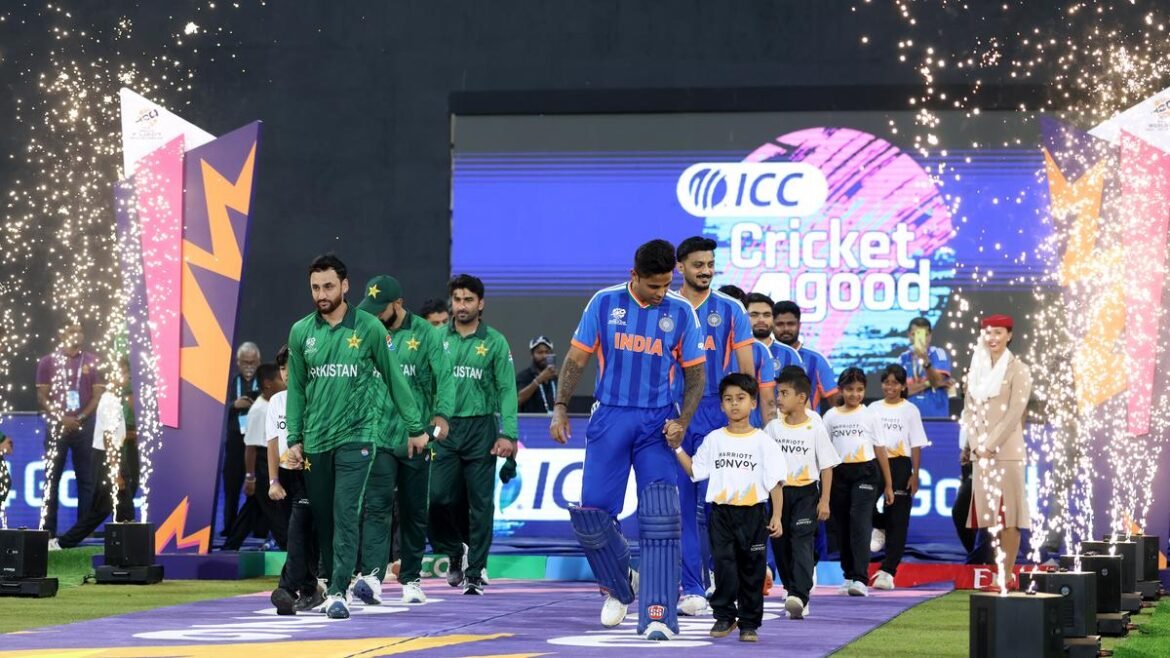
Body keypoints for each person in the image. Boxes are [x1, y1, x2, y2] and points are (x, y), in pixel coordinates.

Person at [550, 238, 705, 641]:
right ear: (634, 276)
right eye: (654, 286)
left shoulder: (681, 311)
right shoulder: (604, 303)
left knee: (660, 517)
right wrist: (561, 406)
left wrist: (683, 421)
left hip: (657, 424)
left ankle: (658, 615)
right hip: (611, 417)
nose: (661, 293)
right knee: (593, 516)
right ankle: (620, 586)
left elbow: (696, 374)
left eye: (666, 285)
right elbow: (577, 359)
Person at [284, 253, 428, 620]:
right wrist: (294, 438)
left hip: (357, 436)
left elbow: (394, 378)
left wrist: (415, 427)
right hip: (316, 439)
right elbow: (296, 389)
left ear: (345, 286)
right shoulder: (301, 332)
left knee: (346, 511)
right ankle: (332, 580)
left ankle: (337, 591)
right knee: (324, 518)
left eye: (328, 286)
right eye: (315, 287)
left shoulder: (369, 328)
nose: (322, 294)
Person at [355, 275, 454, 605]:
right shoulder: (367, 331)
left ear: (398, 304)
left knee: (413, 511)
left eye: (380, 309)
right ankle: (372, 577)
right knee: (376, 507)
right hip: (379, 436)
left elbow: (445, 377)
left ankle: (411, 579)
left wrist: (442, 416)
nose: (374, 315)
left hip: (417, 437)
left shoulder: (425, 334)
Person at [673, 237, 755, 616]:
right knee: (682, 506)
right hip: (675, 414)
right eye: (698, 265)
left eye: (710, 264)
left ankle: (722, 580)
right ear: (680, 267)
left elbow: (746, 371)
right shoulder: (665, 307)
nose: (706, 271)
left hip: (717, 415)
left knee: (717, 507)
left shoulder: (731, 309)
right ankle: (692, 586)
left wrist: (742, 421)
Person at [673, 373, 784, 643]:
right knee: (723, 567)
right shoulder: (714, 439)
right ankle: (724, 616)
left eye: (741, 398)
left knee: (752, 570)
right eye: (728, 399)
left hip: (753, 514)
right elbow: (695, 471)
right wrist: (677, 448)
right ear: (721, 405)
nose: (735, 404)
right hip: (721, 514)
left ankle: (749, 623)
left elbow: (775, 483)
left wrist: (777, 516)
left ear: (753, 403)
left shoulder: (764, 442)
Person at [429, 274, 518, 596]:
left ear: (481, 304)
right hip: (445, 429)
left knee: (480, 504)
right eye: (457, 299)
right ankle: (456, 549)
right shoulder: (435, 338)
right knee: (437, 498)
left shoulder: (495, 341)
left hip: (481, 429)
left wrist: (508, 434)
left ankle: (476, 571)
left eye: (468, 300)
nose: (462, 305)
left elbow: (507, 390)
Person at [963, 314, 1032, 590]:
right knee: (990, 518)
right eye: (988, 333)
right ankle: (999, 572)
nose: (993, 338)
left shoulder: (1019, 369)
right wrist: (976, 445)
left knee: (1010, 517)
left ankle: (1006, 575)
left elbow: (1015, 412)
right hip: (981, 455)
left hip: (1007, 452)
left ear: (1009, 335)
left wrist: (989, 445)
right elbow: (969, 411)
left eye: (999, 332)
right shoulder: (976, 369)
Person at [765, 366, 840, 620]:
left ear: (801, 397)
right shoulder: (772, 428)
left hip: (806, 493)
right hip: (778, 495)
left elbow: (827, 466)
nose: (779, 398)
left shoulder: (815, 428)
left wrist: (825, 500)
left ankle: (800, 594)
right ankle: (791, 590)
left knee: (801, 541)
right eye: (778, 393)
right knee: (781, 545)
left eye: (784, 393)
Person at [51, 356, 137, 549]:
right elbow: (108, 438)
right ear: (113, 375)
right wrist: (116, 471)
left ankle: (124, 546)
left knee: (108, 508)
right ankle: (128, 548)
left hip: (109, 458)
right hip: (109, 459)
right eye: (124, 373)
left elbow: (115, 434)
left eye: (127, 373)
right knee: (115, 508)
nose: (127, 377)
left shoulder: (112, 400)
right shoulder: (110, 402)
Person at [823, 367, 893, 597]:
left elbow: (880, 449)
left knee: (860, 521)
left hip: (866, 472)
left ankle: (861, 578)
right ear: (841, 390)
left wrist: (889, 484)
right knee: (842, 526)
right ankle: (848, 575)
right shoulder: (830, 417)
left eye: (860, 389)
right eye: (850, 389)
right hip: (839, 474)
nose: (855, 394)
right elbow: (824, 452)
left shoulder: (870, 415)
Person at [266, 346, 325, 615]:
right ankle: (311, 589)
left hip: (310, 471)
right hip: (285, 476)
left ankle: (287, 589)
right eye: (282, 368)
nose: (286, 373)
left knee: (298, 530)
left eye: (290, 366)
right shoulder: (277, 401)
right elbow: (271, 443)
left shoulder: (317, 396)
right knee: (301, 535)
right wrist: (273, 481)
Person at [36, 323, 103, 537]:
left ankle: (83, 533)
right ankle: (48, 532)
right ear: (62, 334)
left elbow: (97, 395)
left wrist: (80, 418)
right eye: (72, 331)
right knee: (51, 478)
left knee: (87, 480)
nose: (78, 334)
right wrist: (61, 418)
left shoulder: (92, 360)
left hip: (85, 426)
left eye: (80, 330)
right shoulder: (48, 362)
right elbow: (42, 396)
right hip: (57, 426)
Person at [868, 364, 930, 590]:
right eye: (886, 382)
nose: (890, 387)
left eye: (895, 383)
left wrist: (915, 474)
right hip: (875, 464)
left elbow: (916, 444)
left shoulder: (910, 410)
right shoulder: (873, 408)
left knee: (899, 518)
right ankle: (881, 526)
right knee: (864, 505)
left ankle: (888, 571)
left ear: (903, 386)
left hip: (901, 465)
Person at [223, 363, 287, 551]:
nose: (284, 381)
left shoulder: (273, 404)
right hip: (262, 466)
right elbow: (250, 448)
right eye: (280, 378)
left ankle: (231, 546)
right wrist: (250, 477)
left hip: (271, 462)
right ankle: (289, 547)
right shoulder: (259, 410)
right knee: (276, 511)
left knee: (252, 509)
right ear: (268, 383)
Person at [717, 286, 778, 428]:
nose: (732, 316)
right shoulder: (697, 343)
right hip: (701, 424)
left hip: (747, 429)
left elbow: (768, 400)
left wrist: (770, 436)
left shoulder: (761, 350)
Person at [221, 342, 262, 537]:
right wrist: (233, 405)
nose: (249, 366)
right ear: (238, 362)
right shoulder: (229, 383)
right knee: (231, 487)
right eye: (245, 362)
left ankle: (257, 529)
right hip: (235, 443)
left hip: (257, 443)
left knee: (258, 490)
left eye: (252, 362)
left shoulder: (265, 383)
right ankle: (229, 527)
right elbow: (216, 407)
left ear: (259, 362)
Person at [772, 301, 838, 409]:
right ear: (772, 325)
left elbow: (835, 403)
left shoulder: (817, 360)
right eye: (780, 324)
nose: (786, 329)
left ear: (799, 325)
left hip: (808, 420)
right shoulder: (765, 356)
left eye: (791, 324)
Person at [899, 317, 953, 419]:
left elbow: (937, 381)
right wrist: (928, 384)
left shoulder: (939, 354)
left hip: (936, 418)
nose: (920, 339)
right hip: (908, 419)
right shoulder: (902, 358)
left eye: (925, 335)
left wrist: (926, 362)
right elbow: (899, 392)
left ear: (930, 336)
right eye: (915, 334)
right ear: (909, 335)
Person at [745, 292, 802, 375]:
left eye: (767, 315)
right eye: (754, 315)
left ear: (773, 319)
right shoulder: (733, 352)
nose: (761, 320)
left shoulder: (790, 354)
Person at [516, 336, 558, 414]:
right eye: (540, 352)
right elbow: (517, 400)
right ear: (532, 355)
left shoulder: (555, 377)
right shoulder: (524, 376)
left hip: (554, 420)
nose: (544, 356)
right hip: (531, 421)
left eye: (547, 352)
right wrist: (539, 380)